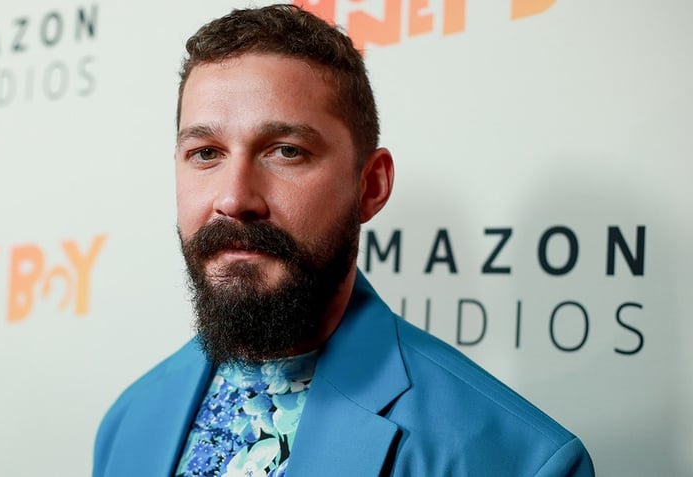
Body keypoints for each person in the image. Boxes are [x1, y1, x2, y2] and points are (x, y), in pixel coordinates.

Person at [93, 4, 595, 476]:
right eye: (206, 153)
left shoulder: (517, 461)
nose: (234, 197)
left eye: (285, 151)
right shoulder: (127, 421)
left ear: (370, 186)